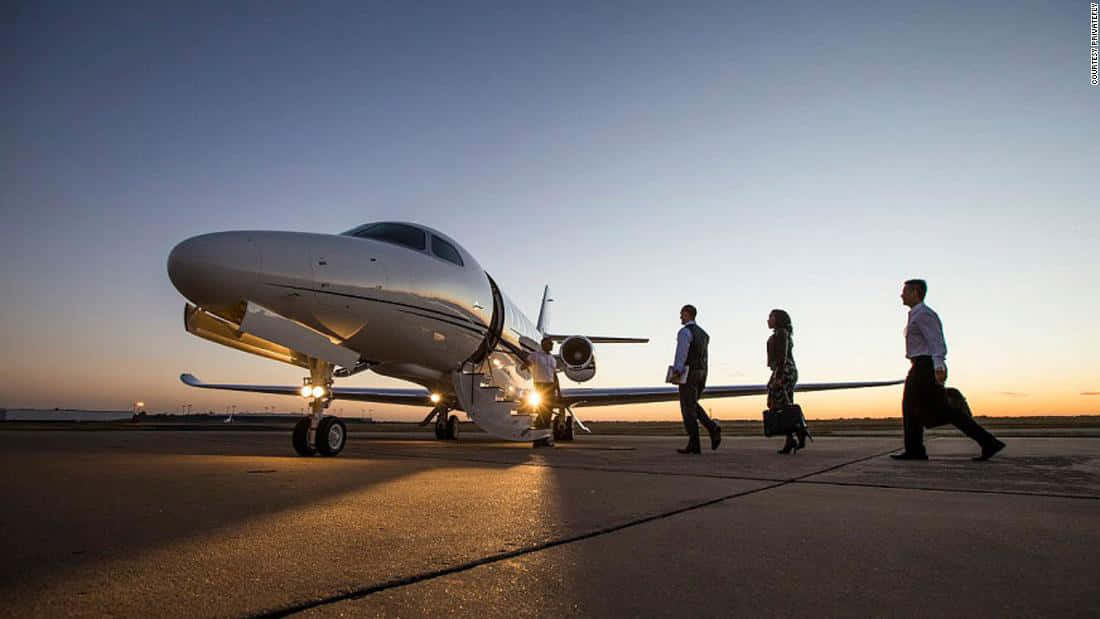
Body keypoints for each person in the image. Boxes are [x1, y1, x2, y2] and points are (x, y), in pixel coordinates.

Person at [893, 279, 1006, 461]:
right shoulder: (916, 314)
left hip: (926, 366)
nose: (901, 295)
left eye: (905, 291)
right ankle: (915, 449)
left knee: (940, 410)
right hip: (919, 365)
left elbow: (936, 341)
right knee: (911, 408)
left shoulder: (924, 314)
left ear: (915, 292)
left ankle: (988, 442)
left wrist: (938, 365)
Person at [669, 304, 721, 454]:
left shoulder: (685, 332)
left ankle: (705, 434)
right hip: (702, 373)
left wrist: (677, 370)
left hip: (689, 373)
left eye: (681, 314)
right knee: (692, 405)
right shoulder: (704, 334)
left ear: (687, 314)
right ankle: (700, 439)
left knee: (687, 408)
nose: (680, 317)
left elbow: (682, 353)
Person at [766, 309, 807, 454]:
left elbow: (782, 357)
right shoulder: (780, 334)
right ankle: (792, 438)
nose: (768, 320)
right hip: (783, 370)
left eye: (771, 317)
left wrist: (778, 377)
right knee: (783, 406)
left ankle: (799, 433)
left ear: (778, 319)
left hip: (784, 371)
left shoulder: (782, 333)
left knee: (783, 405)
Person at [525, 336, 560, 447]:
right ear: (543, 344)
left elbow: (554, 376)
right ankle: (537, 440)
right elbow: (523, 366)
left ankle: (544, 439)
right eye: (550, 343)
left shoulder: (553, 359)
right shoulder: (535, 356)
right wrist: (529, 367)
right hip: (540, 386)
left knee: (548, 414)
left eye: (552, 344)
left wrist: (558, 391)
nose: (552, 345)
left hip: (551, 387)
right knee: (541, 413)